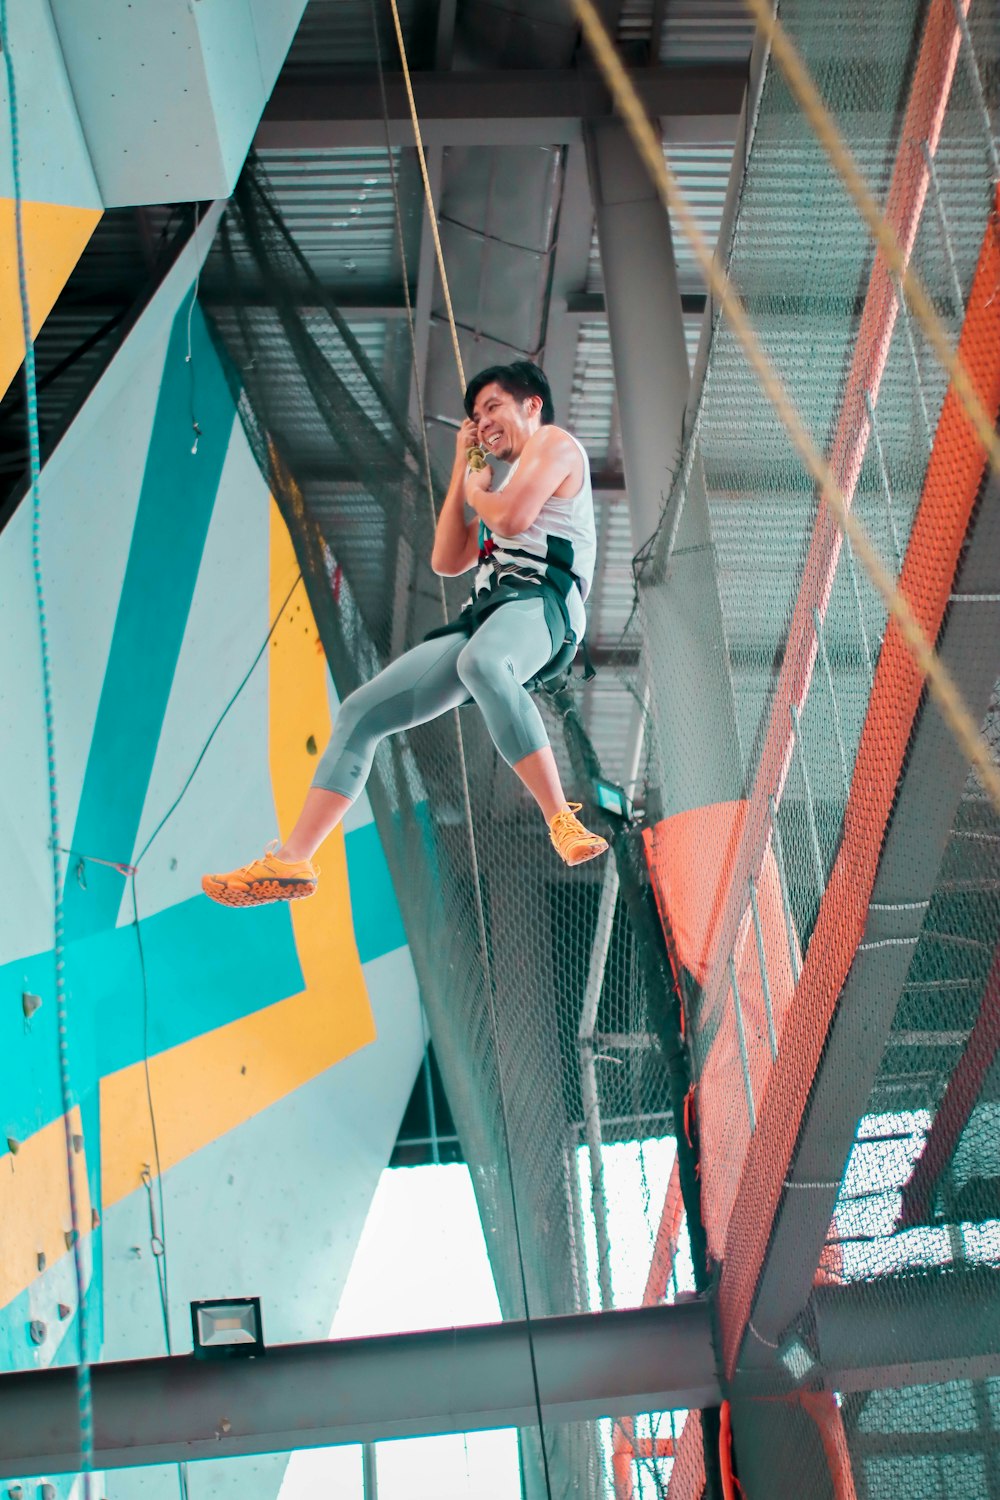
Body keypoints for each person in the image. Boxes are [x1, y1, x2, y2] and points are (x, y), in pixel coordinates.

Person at [202, 360, 608, 908]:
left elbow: (511, 522)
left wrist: (478, 485)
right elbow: (447, 559)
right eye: (474, 416)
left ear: (530, 404)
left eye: (492, 407)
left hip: (544, 604)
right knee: (360, 713)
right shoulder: (496, 481)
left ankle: (562, 819)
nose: (483, 421)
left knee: (482, 665)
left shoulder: (555, 445)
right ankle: (293, 861)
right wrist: (466, 476)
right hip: (491, 614)